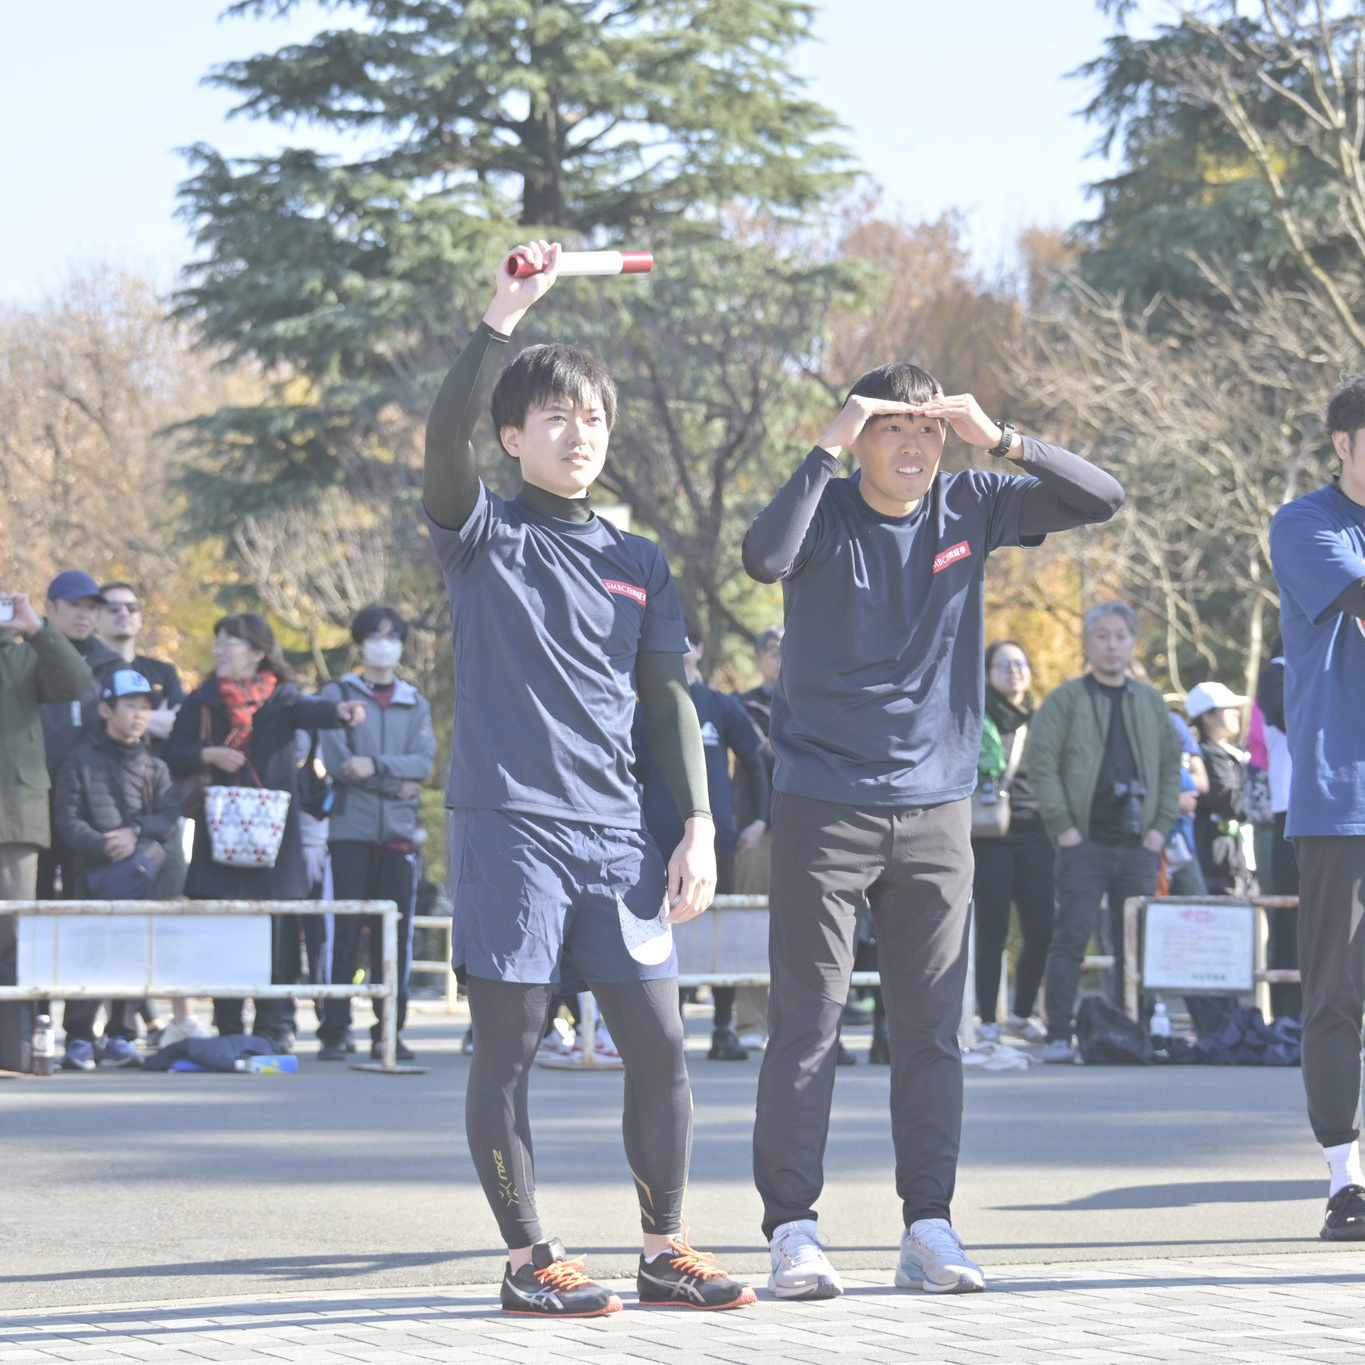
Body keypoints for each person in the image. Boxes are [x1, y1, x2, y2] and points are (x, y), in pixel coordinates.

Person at [423, 240, 753, 1316]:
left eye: (595, 418)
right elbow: (440, 437)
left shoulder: (638, 559)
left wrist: (697, 825)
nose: (579, 433)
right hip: (509, 825)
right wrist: (503, 315)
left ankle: (664, 1250)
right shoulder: (481, 533)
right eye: (556, 417)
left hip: (616, 837)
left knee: (660, 1045)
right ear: (512, 436)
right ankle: (530, 1262)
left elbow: (669, 703)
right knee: (510, 1046)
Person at [743, 365, 1123, 1298]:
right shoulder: (825, 508)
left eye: (927, 430)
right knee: (808, 1022)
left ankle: (927, 1225)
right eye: (891, 428)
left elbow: (1101, 498)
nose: (913, 445)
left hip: (937, 808)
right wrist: (827, 442)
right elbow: (762, 557)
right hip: (822, 802)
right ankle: (792, 1228)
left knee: (931, 1030)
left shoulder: (972, 501)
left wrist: (1003, 437)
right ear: (860, 437)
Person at [165, 613, 364, 1053]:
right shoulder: (202, 700)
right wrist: (209, 754)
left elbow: (312, 710)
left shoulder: (281, 697)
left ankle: (274, 1024)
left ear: (258, 652)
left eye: (229, 642)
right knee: (224, 934)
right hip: (219, 834)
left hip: (273, 839)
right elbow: (173, 753)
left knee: (277, 935)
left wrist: (340, 712)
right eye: (218, 642)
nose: (219, 650)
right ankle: (228, 1025)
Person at [1268, 375, 1365, 1240]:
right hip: (1343, 799)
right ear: (1342, 442)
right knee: (1336, 994)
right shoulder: (1306, 524)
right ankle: (1345, 1180)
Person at [1028, 602, 1182, 1063]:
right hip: (1083, 841)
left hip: (1139, 843)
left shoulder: (1150, 701)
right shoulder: (1065, 699)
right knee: (1071, 937)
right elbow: (1041, 764)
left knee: (1135, 944)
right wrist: (1064, 827)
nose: (1112, 646)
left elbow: (1171, 767)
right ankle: (1059, 1033)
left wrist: (1160, 828)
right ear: (1088, 643)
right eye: (1103, 636)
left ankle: (1133, 1030)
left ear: (1133, 644)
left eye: (1120, 637)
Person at [634, 619, 769, 1061]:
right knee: (660, 933)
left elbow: (755, 761)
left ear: (699, 649)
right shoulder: (643, 709)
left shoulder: (721, 706)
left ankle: (723, 1028)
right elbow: (629, 773)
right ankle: (666, 1028)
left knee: (720, 934)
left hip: (715, 843)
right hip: (655, 841)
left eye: (687, 643)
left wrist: (759, 820)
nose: (681, 651)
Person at [317, 605, 437, 1063]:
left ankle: (389, 1030)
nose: (384, 645)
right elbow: (340, 764)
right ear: (359, 643)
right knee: (344, 930)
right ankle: (333, 1030)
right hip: (350, 830)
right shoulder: (338, 695)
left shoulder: (414, 701)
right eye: (374, 636)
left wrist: (376, 766)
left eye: (393, 637)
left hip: (399, 834)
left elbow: (423, 765)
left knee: (396, 936)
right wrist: (394, 780)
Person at [52, 670, 181, 1069]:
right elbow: (66, 817)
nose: (139, 714)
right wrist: (101, 844)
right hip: (88, 876)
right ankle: (78, 1037)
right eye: (130, 705)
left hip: (138, 879)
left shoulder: (154, 765)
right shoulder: (79, 760)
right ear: (105, 710)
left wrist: (135, 831)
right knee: (85, 955)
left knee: (131, 953)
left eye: (145, 707)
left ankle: (121, 1036)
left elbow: (169, 816)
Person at [97, 580, 194, 1041]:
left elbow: (179, 727)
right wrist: (155, 719)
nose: (124, 614)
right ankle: (118, 1026)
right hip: (104, 806)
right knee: (114, 921)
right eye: (113, 607)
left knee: (170, 914)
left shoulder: (162, 670)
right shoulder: (89, 666)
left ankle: (180, 1020)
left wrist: (137, 717)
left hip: (161, 810)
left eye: (132, 606)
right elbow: (94, 723)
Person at [0, 587, 92, 995]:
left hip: (13, 817)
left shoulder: (22, 656)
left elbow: (75, 682)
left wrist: (36, 627)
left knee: (12, 929)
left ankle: (14, 1029)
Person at [971, 640, 1053, 1044]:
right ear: (987, 673)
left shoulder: (1043, 719)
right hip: (991, 835)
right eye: (1003, 665)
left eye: (1020, 663)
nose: (1014, 671)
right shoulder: (975, 715)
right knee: (993, 930)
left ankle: (1021, 1013)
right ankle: (988, 1019)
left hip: (1036, 831)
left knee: (1042, 929)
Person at [38, 571, 122, 899]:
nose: (83, 615)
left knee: (85, 897)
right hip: (36, 795)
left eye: (91, 607)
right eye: (74, 605)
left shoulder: (113, 666)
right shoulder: (24, 657)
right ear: (50, 607)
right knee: (32, 897)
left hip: (91, 800)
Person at [731, 625, 782, 1049]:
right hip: (755, 828)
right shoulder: (741, 705)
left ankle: (794, 1024)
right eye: (773, 649)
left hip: (808, 826)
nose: (782, 656)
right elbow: (758, 757)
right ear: (758, 657)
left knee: (806, 928)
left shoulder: (817, 701)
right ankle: (750, 1023)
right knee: (751, 924)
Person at [1255, 650, 1301, 1019]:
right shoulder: (1277, 672)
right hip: (1293, 812)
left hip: (1351, 811)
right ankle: (1288, 1019)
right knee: (1291, 919)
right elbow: (1293, 717)